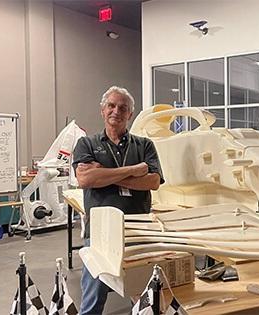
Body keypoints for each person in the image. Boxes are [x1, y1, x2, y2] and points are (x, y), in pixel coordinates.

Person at [72, 86, 164, 314]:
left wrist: (104, 174)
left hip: (139, 230)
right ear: (103, 110)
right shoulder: (87, 144)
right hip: (100, 233)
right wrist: (134, 169)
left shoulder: (145, 145)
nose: (116, 111)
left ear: (130, 114)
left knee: (144, 295)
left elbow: (152, 181)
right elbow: (85, 179)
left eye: (123, 108)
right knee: (93, 296)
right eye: (111, 106)